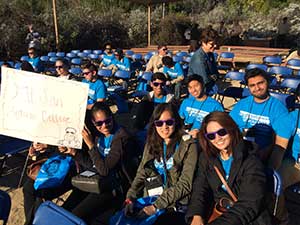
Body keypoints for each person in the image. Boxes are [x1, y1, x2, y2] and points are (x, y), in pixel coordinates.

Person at [186, 111, 271, 225]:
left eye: (222, 132)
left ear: (231, 129)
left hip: (246, 218)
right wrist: (197, 214)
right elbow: (200, 187)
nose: (218, 138)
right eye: (211, 136)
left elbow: (249, 204)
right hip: (219, 211)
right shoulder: (207, 157)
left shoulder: (251, 160)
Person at [59, 102, 136, 224]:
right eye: (99, 123)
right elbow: (93, 164)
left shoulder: (121, 137)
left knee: (76, 216)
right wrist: (74, 153)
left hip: (114, 186)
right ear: (94, 123)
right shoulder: (98, 135)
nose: (104, 126)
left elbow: (104, 169)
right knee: (64, 210)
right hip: (97, 180)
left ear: (112, 117)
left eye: (108, 121)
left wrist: (91, 145)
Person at [125, 103, 198, 225]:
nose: (164, 127)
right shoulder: (152, 142)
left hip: (176, 202)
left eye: (169, 122)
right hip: (152, 196)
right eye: (159, 123)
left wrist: (156, 206)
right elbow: (142, 172)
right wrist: (130, 197)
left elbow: (185, 184)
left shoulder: (188, 145)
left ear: (176, 122)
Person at [229, 68, 292, 170]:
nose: (257, 88)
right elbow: (228, 126)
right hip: (238, 148)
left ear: (267, 82)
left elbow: (280, 145)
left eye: (260, 83)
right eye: (252, 85)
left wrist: (270, 171)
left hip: (260, 154)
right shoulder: (242, 104)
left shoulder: (278, 109)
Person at [22, 143, 76, 225]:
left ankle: (33, 223)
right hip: (54, 164)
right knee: (28, 188)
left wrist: (48, 146)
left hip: (72, 166)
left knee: (42, 192)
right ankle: (32, 222)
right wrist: (36, 153)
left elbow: (76, 148)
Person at [188, 28, 219, 95]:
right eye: (212, 44)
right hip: (198, 92)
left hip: (208, 89)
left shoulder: (210, 54)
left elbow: (216, 72)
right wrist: (212, 77)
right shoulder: (198, 59)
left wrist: (213, 76)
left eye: (215, 43)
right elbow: (203, 80)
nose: (215, 46)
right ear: (203, 43)